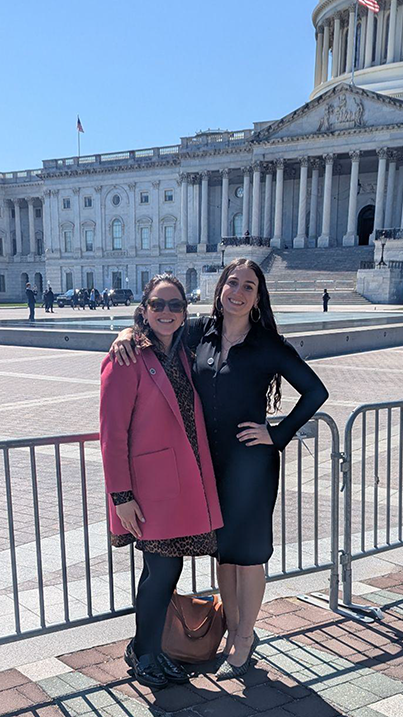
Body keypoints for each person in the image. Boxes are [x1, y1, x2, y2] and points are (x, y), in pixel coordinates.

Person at [110, 259, 328, 680]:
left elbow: (315, 391)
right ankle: (231, 631)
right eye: (233, 282)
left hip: (250, 463)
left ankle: (244, 638)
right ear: (221, 288)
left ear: (258, 296)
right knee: (224, 554)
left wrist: (277, 434)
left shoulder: (267, 344)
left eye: (249, 286)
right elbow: (156, 330)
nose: (238, 291)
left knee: (248, 557)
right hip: (210, 464)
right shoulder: (200, 333)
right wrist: (125, 332)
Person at [100, 273, 223, 689]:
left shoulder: (185, 350)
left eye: (175, 305)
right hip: (150, 490)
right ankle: (146, 654)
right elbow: (112, 433)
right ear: (144, 309)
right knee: (162, 571)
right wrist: (121, 496)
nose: (166, 312)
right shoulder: (128, 356)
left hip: (184, 483)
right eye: (158, 304)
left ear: (185, 311)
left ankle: (145, 648)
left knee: (160, 573)